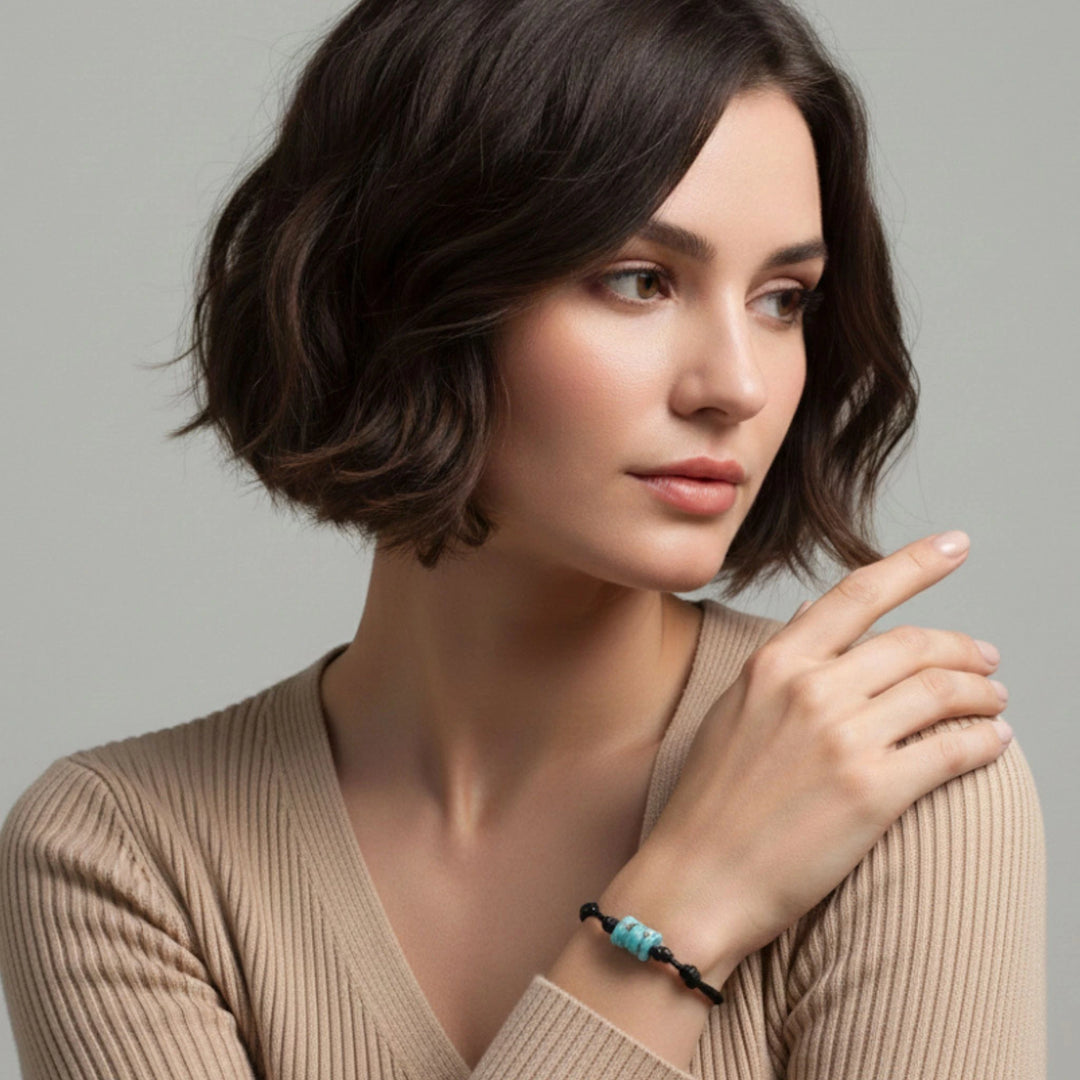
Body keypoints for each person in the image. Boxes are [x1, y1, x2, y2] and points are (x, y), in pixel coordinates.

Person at [0, 0, 1045, 1077]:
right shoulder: (123, 854)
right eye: (640, 280)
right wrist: (683, 909)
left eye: (783, 299)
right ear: (403, 289)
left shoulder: (883, 783)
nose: (737, 385)